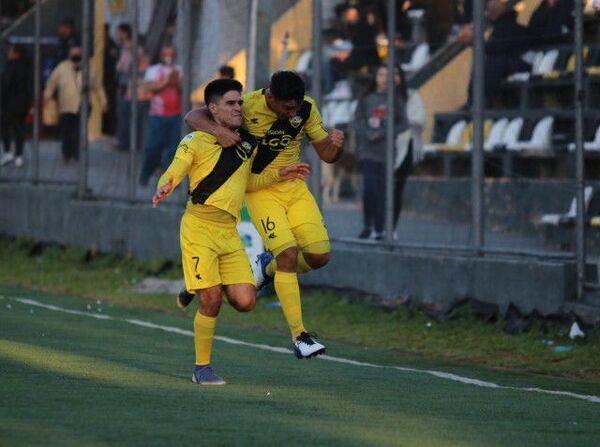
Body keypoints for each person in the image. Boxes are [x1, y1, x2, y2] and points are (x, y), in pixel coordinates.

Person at [152, 78, 311, 385]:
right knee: (211, 300)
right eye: (230, 103)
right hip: (199, 227)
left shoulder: (247, 144)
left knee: (246, 301)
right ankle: (202, 368)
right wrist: (165, 184)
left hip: (228, 232)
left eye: (240, 102)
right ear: (212, 109)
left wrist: (280, 173)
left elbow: (247, 183)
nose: (239, 107)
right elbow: (176, 168)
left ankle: (195, 285)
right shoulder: (195, 141)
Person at [185, 71, 344, 359]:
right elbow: (193, 116)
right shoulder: (245, 107)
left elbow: (327, 155)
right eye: (286, 108)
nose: (292, 113)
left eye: (296, 107)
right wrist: (219, 132)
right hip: (260, 190)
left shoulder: (306, 108)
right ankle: (300, 336)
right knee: (287, 253)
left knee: (320, 256)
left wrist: (337, 145)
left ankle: (265, 270)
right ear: (270, 97)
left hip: (294, 186)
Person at [354, 64, 410, 240]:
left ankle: (379, 229)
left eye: (388, 75)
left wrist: (385, 132)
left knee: (383, 191)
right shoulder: (366, 98)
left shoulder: (396, 100)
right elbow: (356, 122)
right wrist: (369, 133)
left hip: (386, 152)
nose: (384, 79)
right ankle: (367, 224)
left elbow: (404, 124)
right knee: (370, 189)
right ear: (375, 77)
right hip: (368, 151)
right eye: (381, 74)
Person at [43, 46, 106, 164]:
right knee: (67, 131)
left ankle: (78, 153)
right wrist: (47, 97)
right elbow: (52, 82)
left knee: (79, 131)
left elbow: (98, 85)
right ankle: (67, 153)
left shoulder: (88, 68)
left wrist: (103, 101)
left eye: (78, 55)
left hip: (83, 104)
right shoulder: (62, 68)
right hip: (66, 105)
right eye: (74, 55)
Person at [139, 45, 182, 186]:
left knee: (173, 150)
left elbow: (185, 89)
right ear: (161, 55)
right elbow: (147, 87)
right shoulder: (153, 70)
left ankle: (168, 179)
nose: (168, 57)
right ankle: (145, 175)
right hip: (157, 115)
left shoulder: (180, 70)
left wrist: (177, 83)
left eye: (171, 54)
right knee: (153, 147)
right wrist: (166, 82)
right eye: (165, 54)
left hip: (176, 115)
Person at [0, 44, 32, 168]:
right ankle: (19, 155)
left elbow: (5, 85)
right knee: (19, 129)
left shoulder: (10, 67)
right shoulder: (26, 67)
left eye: (11, 51)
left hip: (9, 104)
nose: (8, 53)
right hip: (22, 104)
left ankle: (8, 152)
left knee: (6, 128)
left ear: (16, 54)